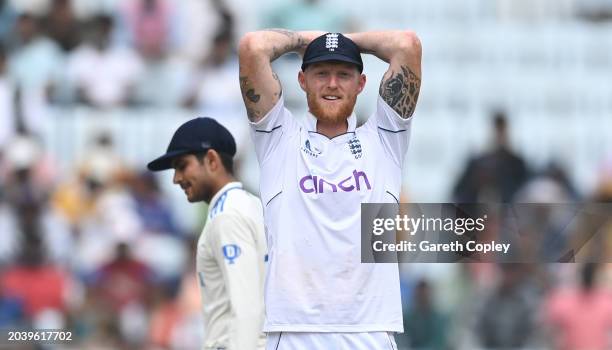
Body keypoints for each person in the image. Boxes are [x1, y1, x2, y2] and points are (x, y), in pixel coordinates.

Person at [238, 29, 422, 349]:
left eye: (344, 74)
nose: (332, 84)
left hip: (370, 330)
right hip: (295, 331)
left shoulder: (384, 140)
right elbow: (253, 47)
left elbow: (407, 45)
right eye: (321, 73)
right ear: (302, 80)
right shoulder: (279, 140)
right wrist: (321, 40)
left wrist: (341, 39)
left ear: (361, 84)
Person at [147, 117, 266, 350]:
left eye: (182, 166)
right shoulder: (252, 205)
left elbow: (247, 307)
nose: (176, 178)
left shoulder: (226, 216)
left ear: (211, 160)